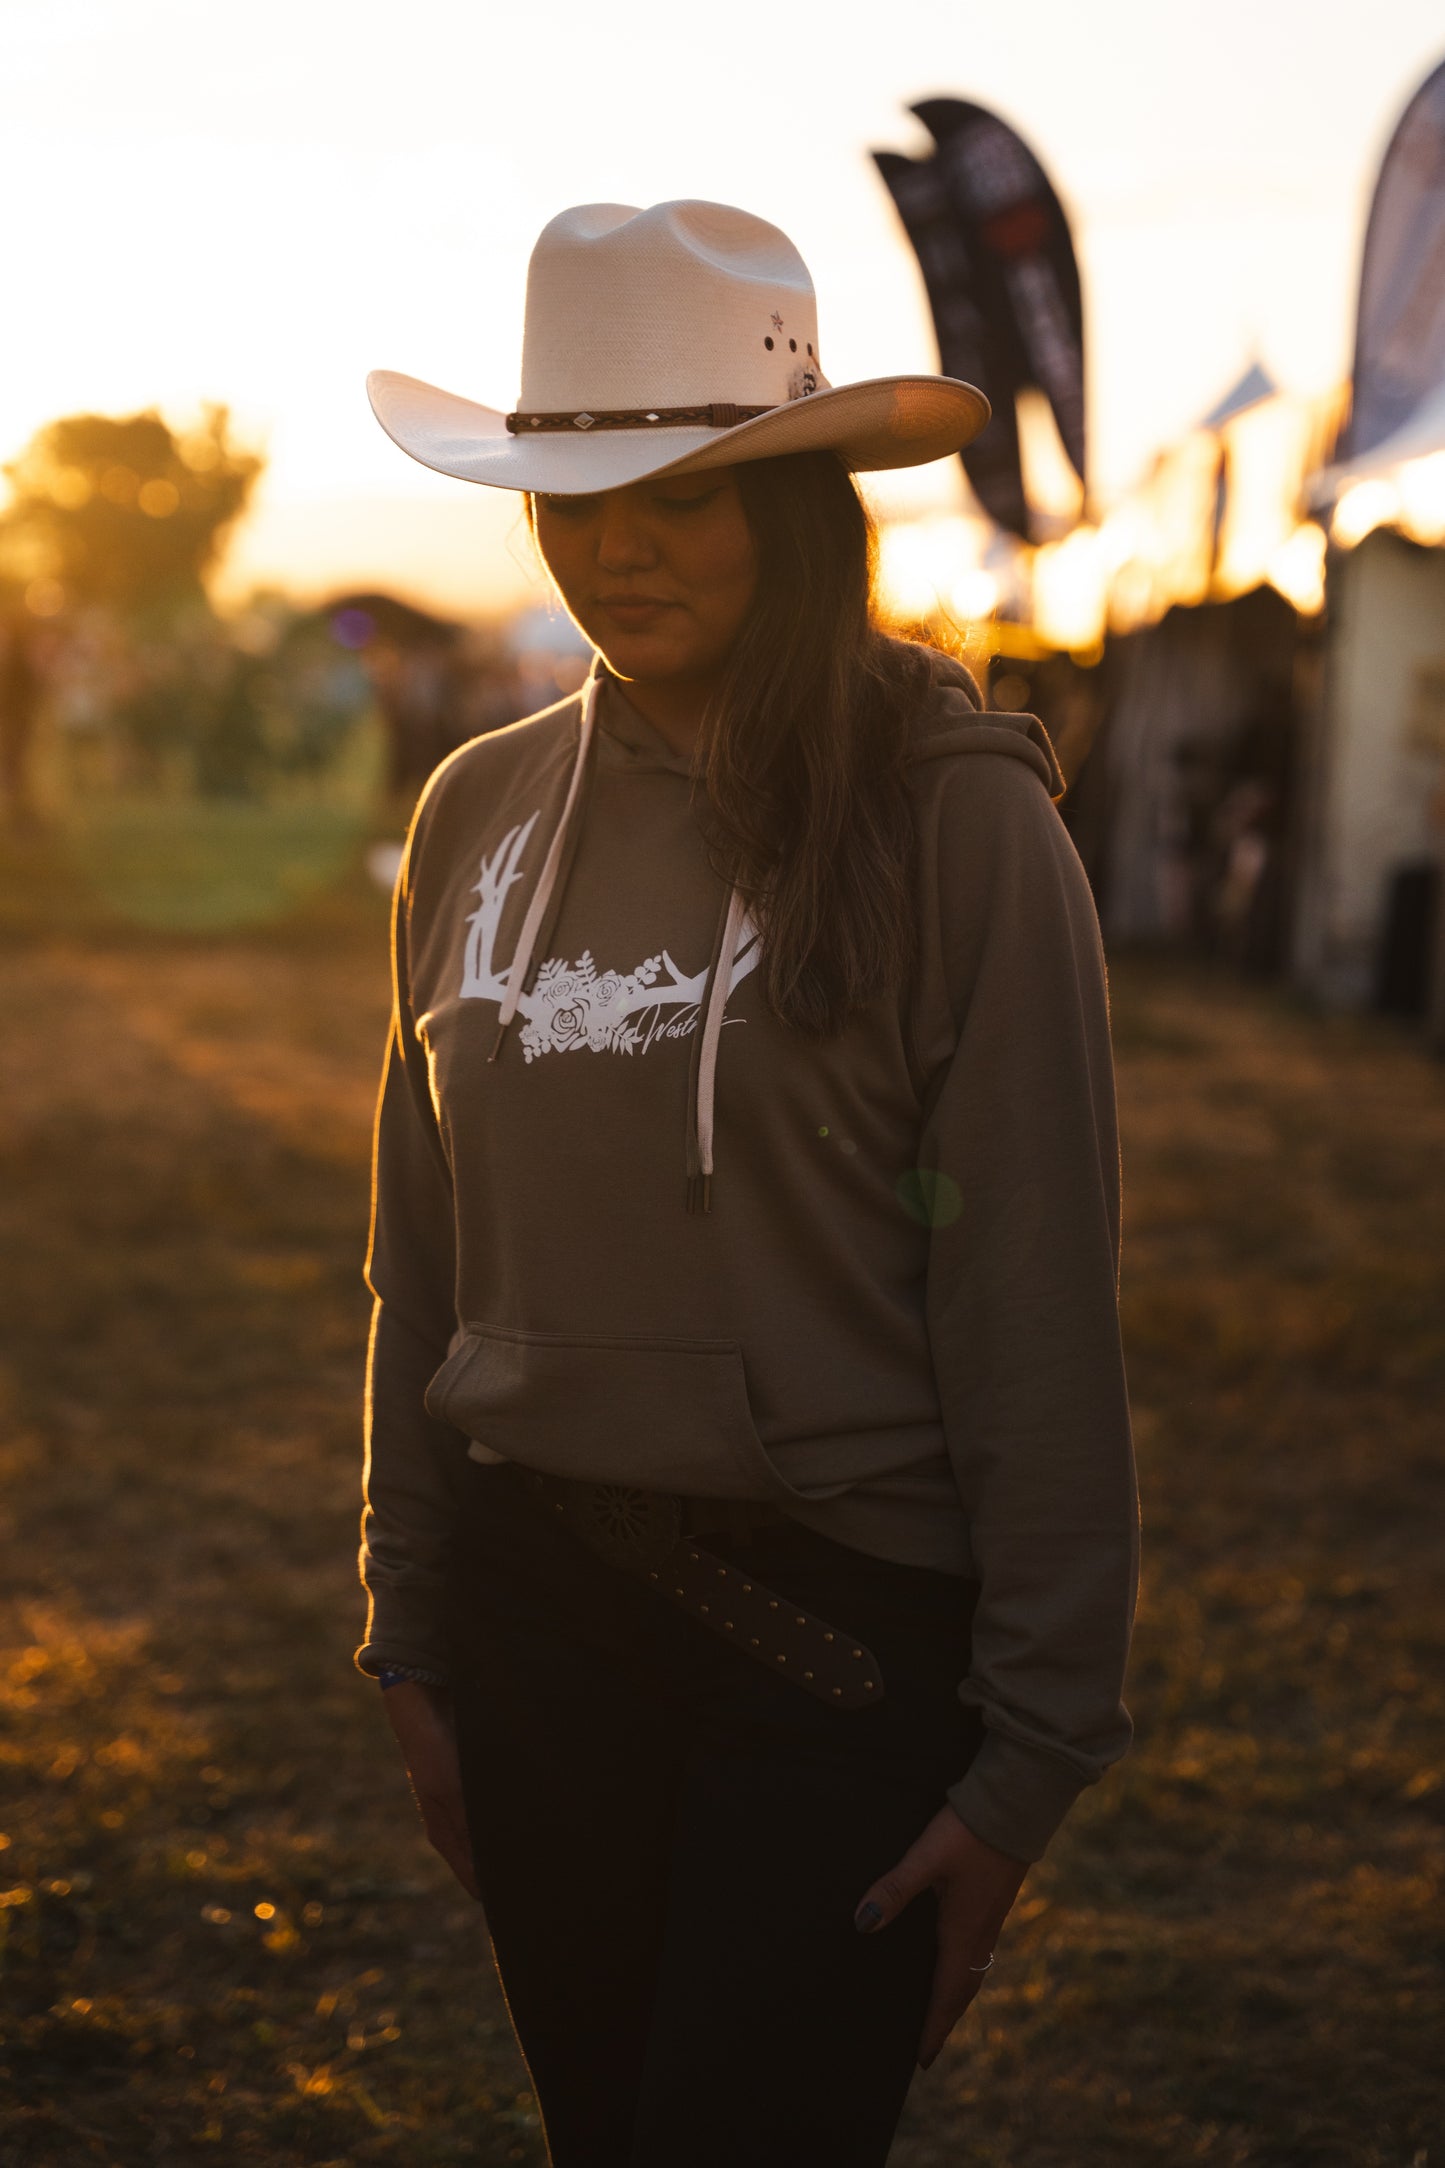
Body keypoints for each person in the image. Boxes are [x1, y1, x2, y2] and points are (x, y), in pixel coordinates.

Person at [358, 199, 1137, 2168]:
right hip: (538, 1629)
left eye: (681, 493)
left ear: (794, 498)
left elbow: (1031, 1299)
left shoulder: (955, 824)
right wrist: (414, 1629)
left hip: (838, 1654)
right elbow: (419, 1258)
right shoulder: (475, 816)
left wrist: (1032, 1752)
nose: (616, 546)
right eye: (573, 489)